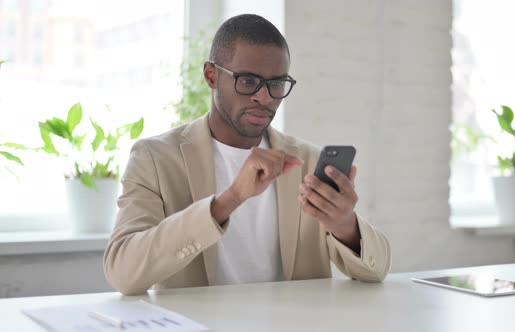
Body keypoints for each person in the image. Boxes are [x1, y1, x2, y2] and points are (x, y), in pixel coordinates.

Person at [103, 14, 391, 295]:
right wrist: (228, 201)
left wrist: (345, 225)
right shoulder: (155, 158)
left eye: (276, 84)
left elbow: (377, 271)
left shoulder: (307, 161)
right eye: (248, 81)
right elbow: (123, 273)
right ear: (211, 76)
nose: (264, 98)